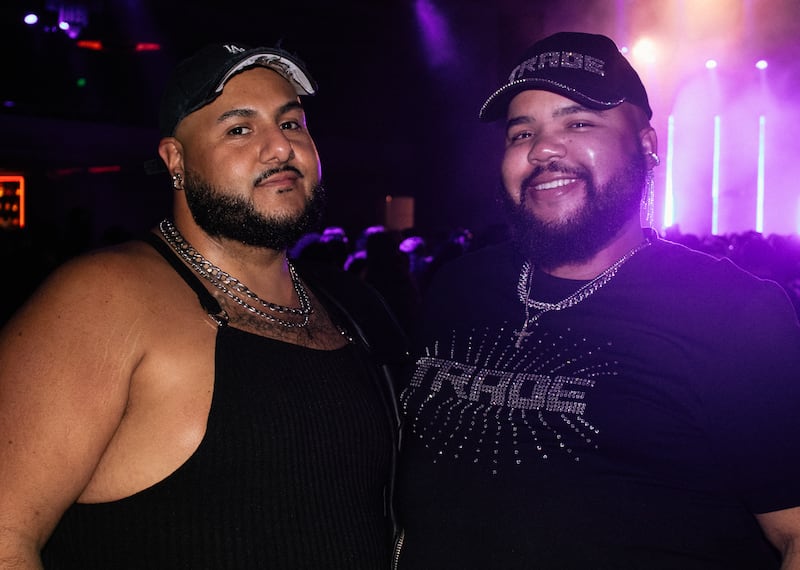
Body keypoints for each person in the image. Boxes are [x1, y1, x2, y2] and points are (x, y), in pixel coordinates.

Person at [394, 31, 800, 569]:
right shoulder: (459, 286)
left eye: (579, 122)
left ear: (648, 144)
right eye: (522, 133)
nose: (542, 150)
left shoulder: (734, 314)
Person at [0, 41, 411, 569]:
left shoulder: (356, 305)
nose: (280, 149)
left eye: (291, 124)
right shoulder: (103, 298)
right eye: (240, 129)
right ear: (175, 160)